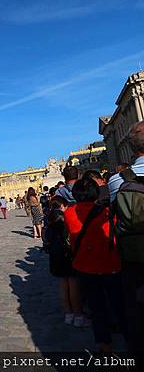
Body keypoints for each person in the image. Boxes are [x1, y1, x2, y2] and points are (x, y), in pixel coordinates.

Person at [64, 177, 126, 354]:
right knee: (119, 305)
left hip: (85, 267)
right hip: (111, 265)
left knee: (96, 308)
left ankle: (104, 346)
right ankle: (131, 339)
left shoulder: (69, 213)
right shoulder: (106, 212)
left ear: (75, 195)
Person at [107, 120, 144, 357]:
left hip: (135, 258)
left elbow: (114, 216)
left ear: (130, 148)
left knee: (138, 317)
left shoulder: (117, 181)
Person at [46, 196, 86, 327]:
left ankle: (68, 314)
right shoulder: (63, 218)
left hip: (56, 257)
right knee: (73, 285)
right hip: (67, 255)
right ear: (62, 206)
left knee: (63, 285)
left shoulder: (50, 220)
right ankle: (79, 315)